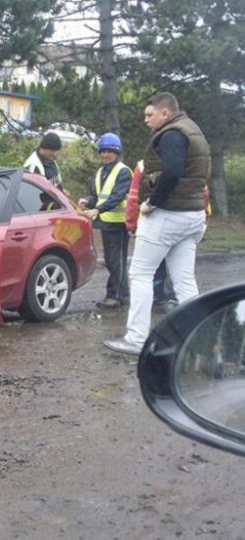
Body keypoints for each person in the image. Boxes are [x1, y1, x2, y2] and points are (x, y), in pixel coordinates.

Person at [104, 92, 210, 356]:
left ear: (166, 113)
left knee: (140, 274)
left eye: (150, 115)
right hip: (192, 216)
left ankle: (137, 338)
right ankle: (197, 338)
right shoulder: (193, 130)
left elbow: (172, 172)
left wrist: (152, 203)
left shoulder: (173, 134)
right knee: (184, 280)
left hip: (168, 215)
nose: (146, 120)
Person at [78, 133, 132, 309]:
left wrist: (98, 209)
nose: (105, 155)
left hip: (119, 223)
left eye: (109, 151)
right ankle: (123, 295)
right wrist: (88, 201)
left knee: (116, 261)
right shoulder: (101, 171)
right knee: (114, 260)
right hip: (107, 222)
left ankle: (114, 295)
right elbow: (97, 195)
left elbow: (117, 196)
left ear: (116, 152)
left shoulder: (123, 171)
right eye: (103, 151)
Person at [125, 160, 178, 313]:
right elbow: (202, 194)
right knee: (179, 267)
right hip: (182, 223)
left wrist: (131, 224)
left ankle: (159, 298)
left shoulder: (143, 165)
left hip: (152, 221)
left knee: (147, 268)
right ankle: (174, 299)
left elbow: (133, 197)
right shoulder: (190, 161)